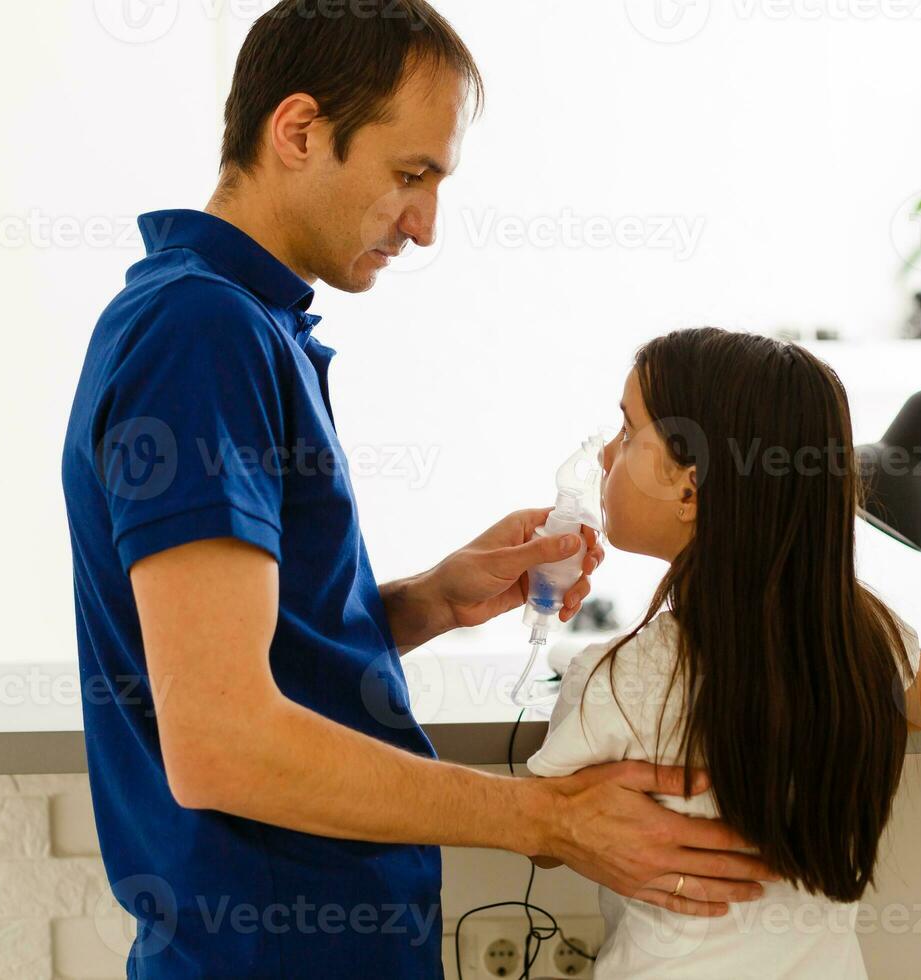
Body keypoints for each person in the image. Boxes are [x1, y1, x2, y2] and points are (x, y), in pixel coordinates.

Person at [60, 4, 775, 976]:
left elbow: (241, 650)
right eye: (410, 175)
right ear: (300, 130)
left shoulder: (242, 326)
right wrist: (546, 817)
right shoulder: (201, 334)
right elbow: (221, 735)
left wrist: (434, 597)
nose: (427, 226)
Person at [526, 328, 921, 978]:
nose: (606, 456)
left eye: (627, 431)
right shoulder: (865, 636)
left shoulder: (617, 679)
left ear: (691, 488)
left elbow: (541, 837)